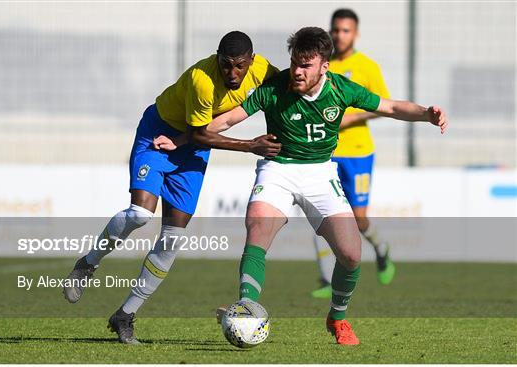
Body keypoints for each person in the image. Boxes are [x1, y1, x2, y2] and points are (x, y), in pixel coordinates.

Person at [160, 26, 446, 345]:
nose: (296, 71)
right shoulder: (274, 88)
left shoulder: (341, 90)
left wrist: (426, 114)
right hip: (277, 171)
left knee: (352, 255)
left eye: (305, 65)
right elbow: (225, 120)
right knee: (257, 227)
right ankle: (246, 306)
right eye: (295, 62)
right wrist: (184, 138)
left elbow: (390, 107)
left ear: (324, 66)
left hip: (321, 175)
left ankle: (337, 318)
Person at [62, 31, 280, 344]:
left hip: (191, 150)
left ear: (251, 61)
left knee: (172, 239)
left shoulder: (262, 69)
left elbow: (285, 87)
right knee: (139, 214)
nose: (232, 73)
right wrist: (250, 146)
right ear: (217, 57)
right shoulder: (202, 80)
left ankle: (124, 316)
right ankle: (87, 264)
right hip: (159, 135)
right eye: (226, 65)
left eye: (239, 66)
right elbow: (201, 133)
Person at [312, 8, 395, 299]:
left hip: (358, 153)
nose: (339, 35)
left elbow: (382, 107)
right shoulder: (321, 65)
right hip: (325, 151)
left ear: (355, 34)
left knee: (358, 220)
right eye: (335, 29)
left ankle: (381, 250)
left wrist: (350, 117)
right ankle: (325, 279)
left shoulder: (367, 67)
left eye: (345, 30)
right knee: (320, 214)